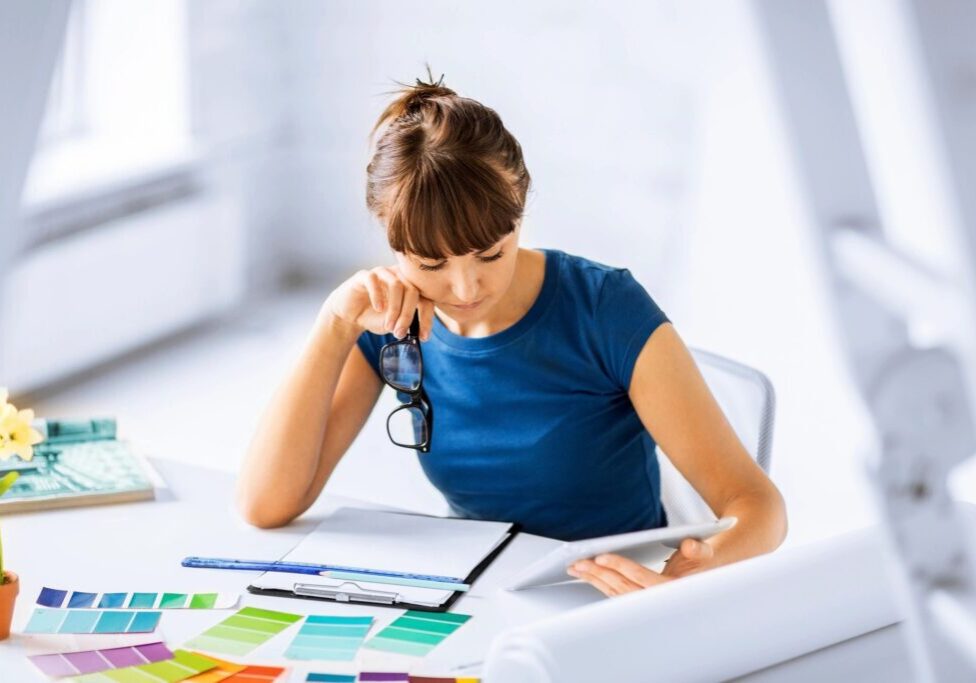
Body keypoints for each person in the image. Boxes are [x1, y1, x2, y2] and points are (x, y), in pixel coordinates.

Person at [236, 71, 787, 597]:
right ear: (391, 239)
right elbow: (267, 504)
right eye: (430, 264)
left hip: (611, 589)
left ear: (521, 207)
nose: (465, 286)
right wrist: (334, 324)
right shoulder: (386, 322)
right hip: (479, 587)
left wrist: (697, 570)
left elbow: (758, 506)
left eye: (490, 253)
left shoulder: (605, 307)